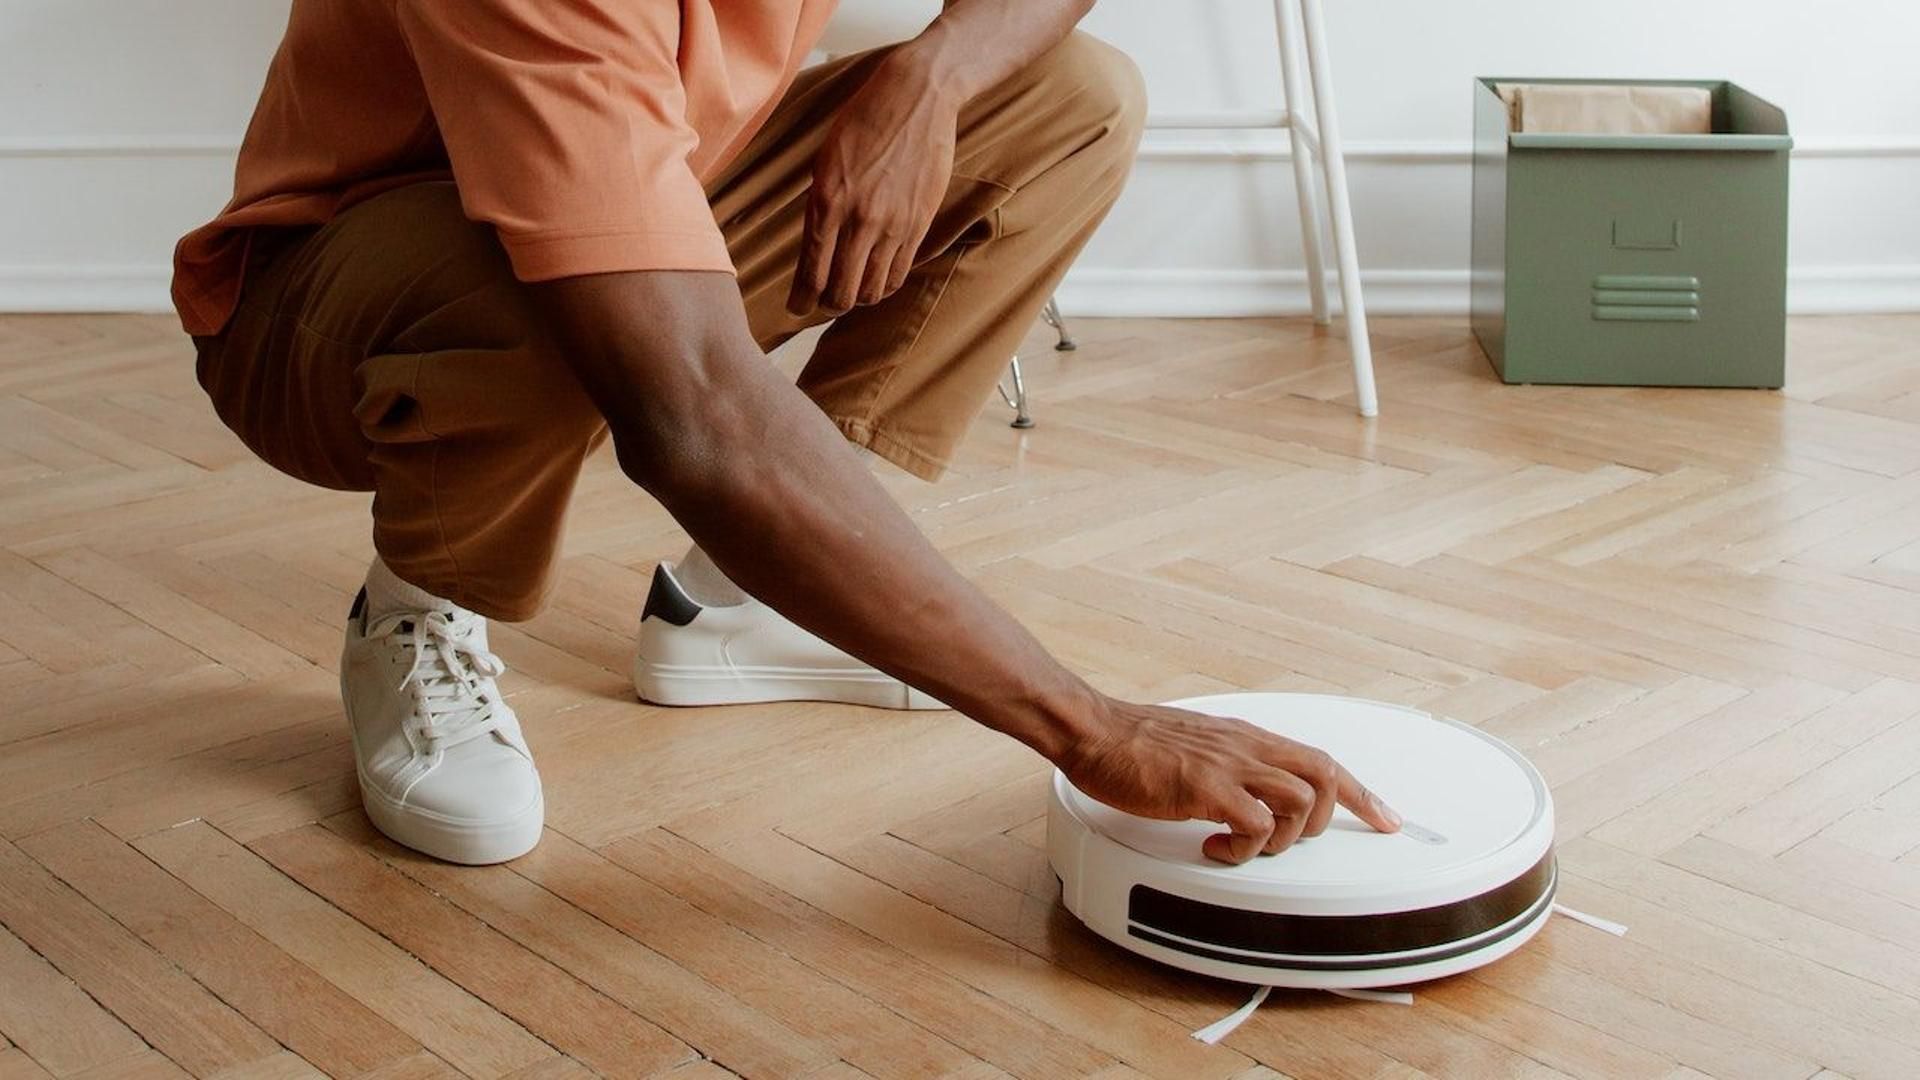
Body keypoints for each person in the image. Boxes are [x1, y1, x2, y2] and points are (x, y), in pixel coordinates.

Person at [175, 0, 1401, 866]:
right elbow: (697, 413)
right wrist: (1093, 728)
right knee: (524, 276)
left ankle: (737, 610)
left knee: (1071, 99)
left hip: (644, 189)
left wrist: (935, 78)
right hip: (327, 309)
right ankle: (418, 604)